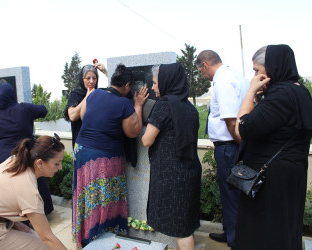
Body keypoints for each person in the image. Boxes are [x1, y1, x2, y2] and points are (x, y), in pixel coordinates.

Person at [234, 44, 312, 250]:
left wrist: (251, 92)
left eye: (257, 70)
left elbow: (243, 128)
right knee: (284, 226)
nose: (255, 76)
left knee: (264, 232)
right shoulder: (299, 91)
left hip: (270, 179)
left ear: (273, 68)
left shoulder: (280, 95)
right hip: (290, 172)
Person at [72, 64, 148, 247]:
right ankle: (98, 240)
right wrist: (137, 106)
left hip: (81, 152)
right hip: (102, 159)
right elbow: (133, 131)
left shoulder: (95, 94)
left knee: (86, 196)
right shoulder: (123, 103)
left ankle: (84, 236)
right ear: (128, 86)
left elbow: (83, 115)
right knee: (102, 198)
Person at [0, 135, 68, 250]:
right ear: (39, 163)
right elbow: (47, 237)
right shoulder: (28, 189)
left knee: (32, 235)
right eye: (56, 163)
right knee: (43, 246)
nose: (60, 167)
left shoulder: (16, 159)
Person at [141, 63, 201, 250]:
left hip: (171, 175)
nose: (153, 87)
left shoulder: (164, 105)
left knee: (181, 231)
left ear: (167, 82)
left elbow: (147, 140)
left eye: (155, 83)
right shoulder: (189, 107)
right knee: (184, 227)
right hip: (189, 171)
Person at [195, 50, 249, 248]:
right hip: (232, 145)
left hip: (229, 147)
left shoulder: (223, 80)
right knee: (231, 195)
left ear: (205, 65)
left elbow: (230, 120)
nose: (203, 76)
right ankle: (230, 232)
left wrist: (240, 145)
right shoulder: (234, 75)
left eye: (201, 72)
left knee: (232, 194)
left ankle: (235, 240)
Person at [0, 83, 54, 215]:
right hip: (24, 153)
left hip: (0, 157)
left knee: (5, 187)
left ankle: (10, 215)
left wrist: (0, 143)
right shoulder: (24, 109)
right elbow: (44, 110)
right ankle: (41, 211)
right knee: (32, 181)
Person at [63, 63, 106, 148]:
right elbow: (72, 116)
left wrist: (105, 71)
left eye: (94, 78)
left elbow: (116, 87)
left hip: (98, 143)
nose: (91, 81)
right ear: (82, 79)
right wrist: (87, 96)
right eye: (88, 78)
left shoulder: (100, 93)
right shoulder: (75, 94)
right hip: (81, 145)